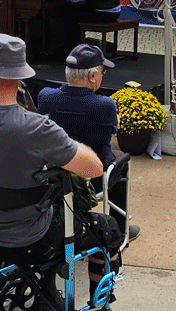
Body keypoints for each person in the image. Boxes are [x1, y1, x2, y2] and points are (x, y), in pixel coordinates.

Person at [0, 35, 123, 311]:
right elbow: (93, 168)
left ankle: (45, 296)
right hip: (31, 238)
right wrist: (70, 144)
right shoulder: (36, 128)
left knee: (51, 213)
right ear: (20, 78)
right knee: (106, 229)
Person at [37, 43, 139, 241]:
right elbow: (109, 134)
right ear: (92, 76)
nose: (103, 75)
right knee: (121, 162)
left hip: (54, 176)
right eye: (103, 71)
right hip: (93, 180)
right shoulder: (105, 105)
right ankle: (118, 229)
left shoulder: (45, 97)